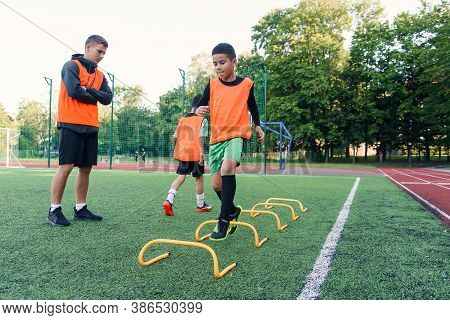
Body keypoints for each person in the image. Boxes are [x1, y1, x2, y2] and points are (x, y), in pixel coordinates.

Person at [195, 43, 264, 240]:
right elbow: (200, 107)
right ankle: (232, 210)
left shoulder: (246, 84)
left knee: (228, 168)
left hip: (237, 133)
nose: (218, 67)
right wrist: (198, 111)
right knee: (217, 185)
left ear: (233, 62)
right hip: (217, 138)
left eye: (222, 62)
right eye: (215, 64)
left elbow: (253, 106)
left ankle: (223, 220)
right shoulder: (212, 84)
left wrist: (257, 126)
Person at [46, 35, 112, 227]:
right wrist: (95, 94)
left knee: (86, 169)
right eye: (99, 51)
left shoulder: (100, 75)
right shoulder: (71, 66)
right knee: (66, 167)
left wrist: (89, 91)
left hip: (91, 125)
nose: (101, 56)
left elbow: (108, 98)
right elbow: (74, 91)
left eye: (104, 53)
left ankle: (80, 208)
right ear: (88, 47)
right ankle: (54, 210)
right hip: (70, 123)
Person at [163, 94, 213, 216]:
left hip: (184, 154)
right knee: (199, 178)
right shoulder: (202, 120)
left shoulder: (182, 120)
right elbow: (201, 136)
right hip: (196, 153)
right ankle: (201, 205)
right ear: (201, 107)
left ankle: (169, 199)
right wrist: (201, 152)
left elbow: (175, 137)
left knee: (181, 177)